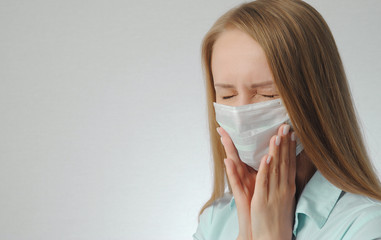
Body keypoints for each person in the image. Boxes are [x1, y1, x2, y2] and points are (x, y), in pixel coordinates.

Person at [193, 0, 381, 239]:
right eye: (227, 95)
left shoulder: (366, 227)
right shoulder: (215, 221)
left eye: (267, 94)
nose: (241, 114)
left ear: (316, 99)